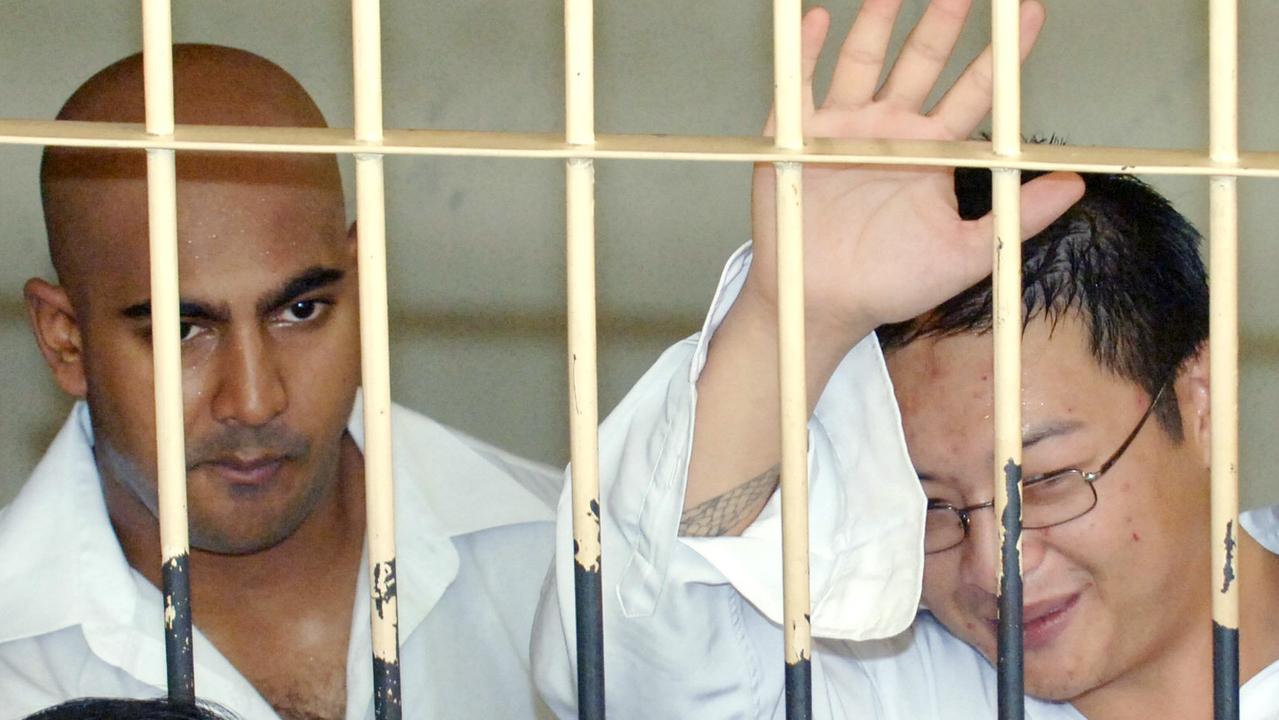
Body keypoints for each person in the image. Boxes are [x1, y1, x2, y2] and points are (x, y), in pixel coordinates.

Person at [533, 0, 1279, 717]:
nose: (996, 565)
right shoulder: (887, 687)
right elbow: (628, 667)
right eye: (931, 509)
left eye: (1047, 481)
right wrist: (789, 317)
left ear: (1200, 399)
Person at [1, 45, 564, 720]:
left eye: (300, 310)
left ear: (362, 280)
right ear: (66, 338)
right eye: (182, 328)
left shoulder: (568, 564)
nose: (254, 399)